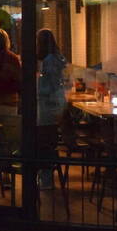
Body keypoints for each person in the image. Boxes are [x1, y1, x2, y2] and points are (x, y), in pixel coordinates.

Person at [36, 29, 68, 190]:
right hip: (55, 105)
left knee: (44, 141)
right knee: (48, 140)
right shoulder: (57, 58)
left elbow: (50, 85)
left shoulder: (48, 61)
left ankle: (46, 178)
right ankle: (46, 177)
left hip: (47, 106)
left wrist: (37, 87)